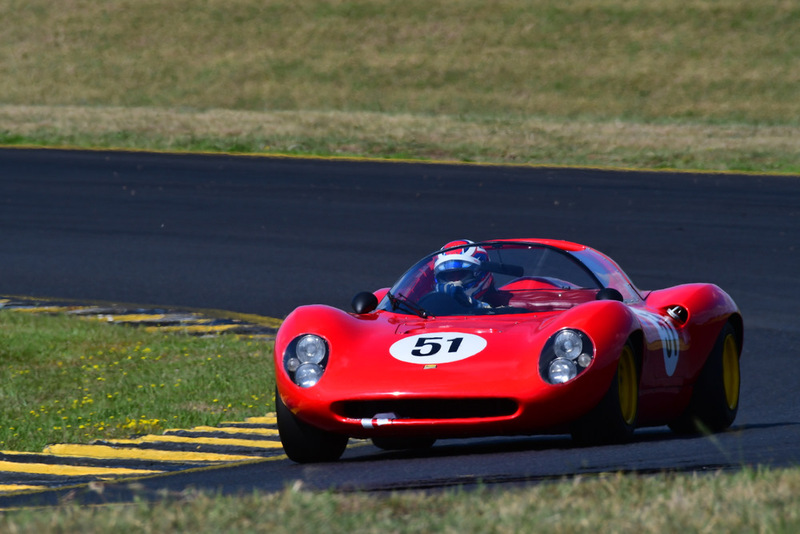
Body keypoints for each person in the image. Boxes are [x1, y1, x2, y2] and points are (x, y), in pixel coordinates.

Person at [433, 240, 497, 308]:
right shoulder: (432, 307)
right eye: (450, 276)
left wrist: (473, 304)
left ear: (480, 273)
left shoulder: (505, 301)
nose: (455, 282)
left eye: (461, 274)